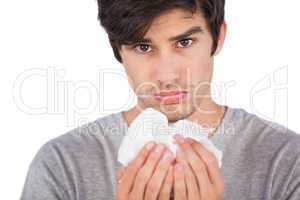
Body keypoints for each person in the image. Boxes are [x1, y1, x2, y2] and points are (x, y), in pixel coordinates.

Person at [20, 0, 300, 199]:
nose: (166, 76)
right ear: (117, 49)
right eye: (143, 47)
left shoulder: (287, 162)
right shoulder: (62, 165)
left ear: (218, 37)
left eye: (185, 42)